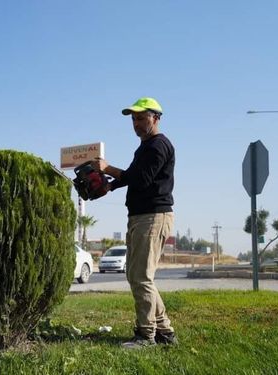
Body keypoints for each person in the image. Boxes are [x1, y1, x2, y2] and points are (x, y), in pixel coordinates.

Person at [92, 97, 177, 349]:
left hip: (153, 216)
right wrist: (109, 185)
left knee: (141, 277)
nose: (136, 123)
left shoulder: (158, 145)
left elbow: (140, 179)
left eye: (141, 118)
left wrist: (108, 168)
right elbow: (131, 175)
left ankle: (146, 336)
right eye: (133, 119)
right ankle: (165, 332)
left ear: (156, 118)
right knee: (137, 275)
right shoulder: (145, 147)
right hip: (140, 216)